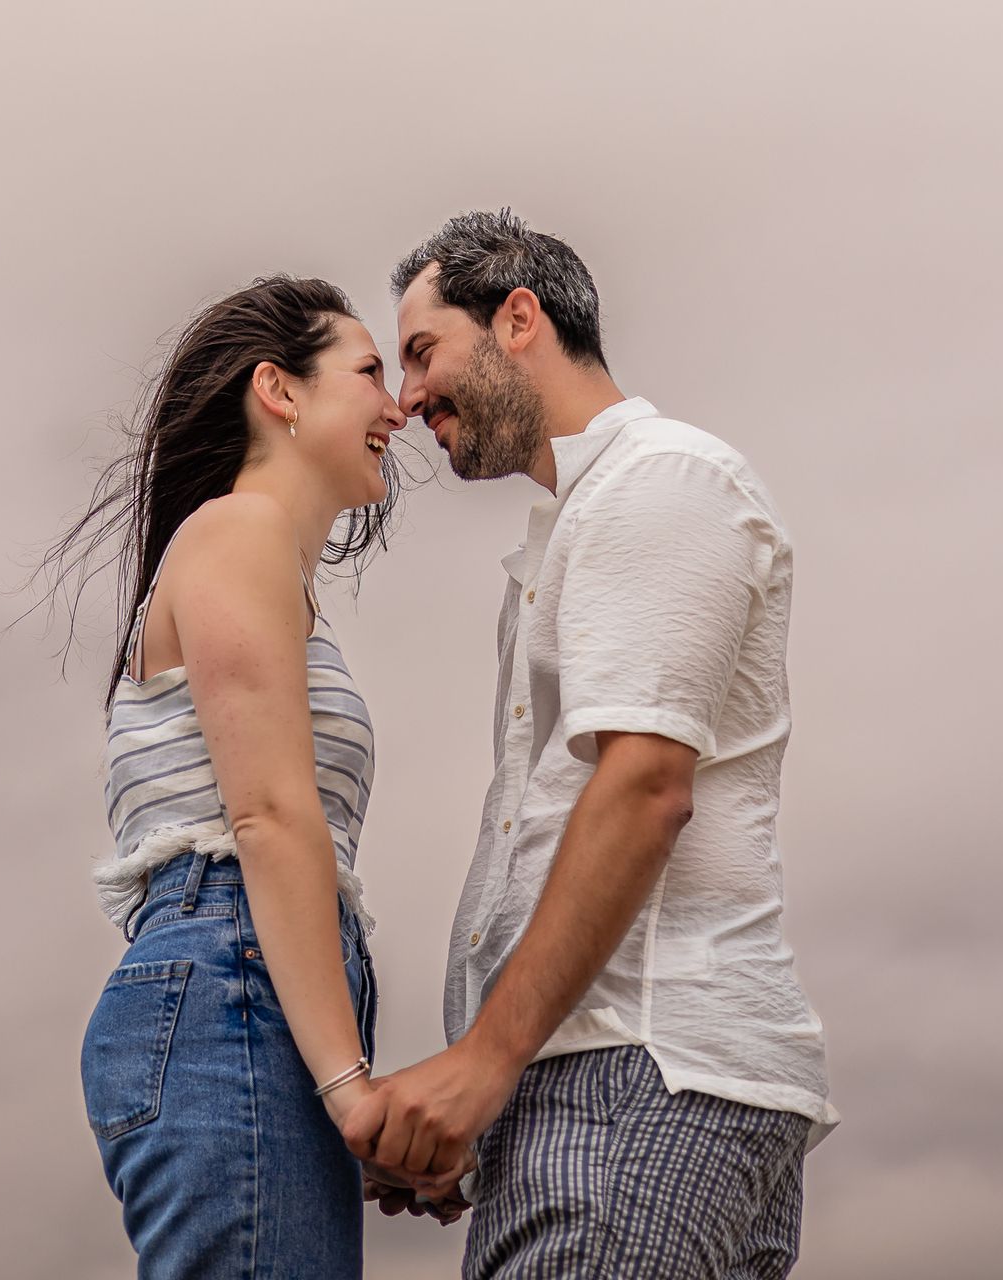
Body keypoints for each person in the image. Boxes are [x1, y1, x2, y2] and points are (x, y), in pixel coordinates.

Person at [344, 210, 838, 1278]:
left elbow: (647, 785)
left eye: (423, 350)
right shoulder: (591, 517)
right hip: (597, 1090)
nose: (408, 395)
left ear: (519, 318)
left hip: (638, 1077)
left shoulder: (661, 481)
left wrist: (484, 1060)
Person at [47, 275, 433, 1278]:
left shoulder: (257, 557)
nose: (399, 405)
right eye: (367, 371)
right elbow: (266, 815)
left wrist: (329, 1073)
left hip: (240, 996)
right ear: (280, 389)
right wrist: (347, 1088)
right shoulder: (238, 531)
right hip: (229, 980)